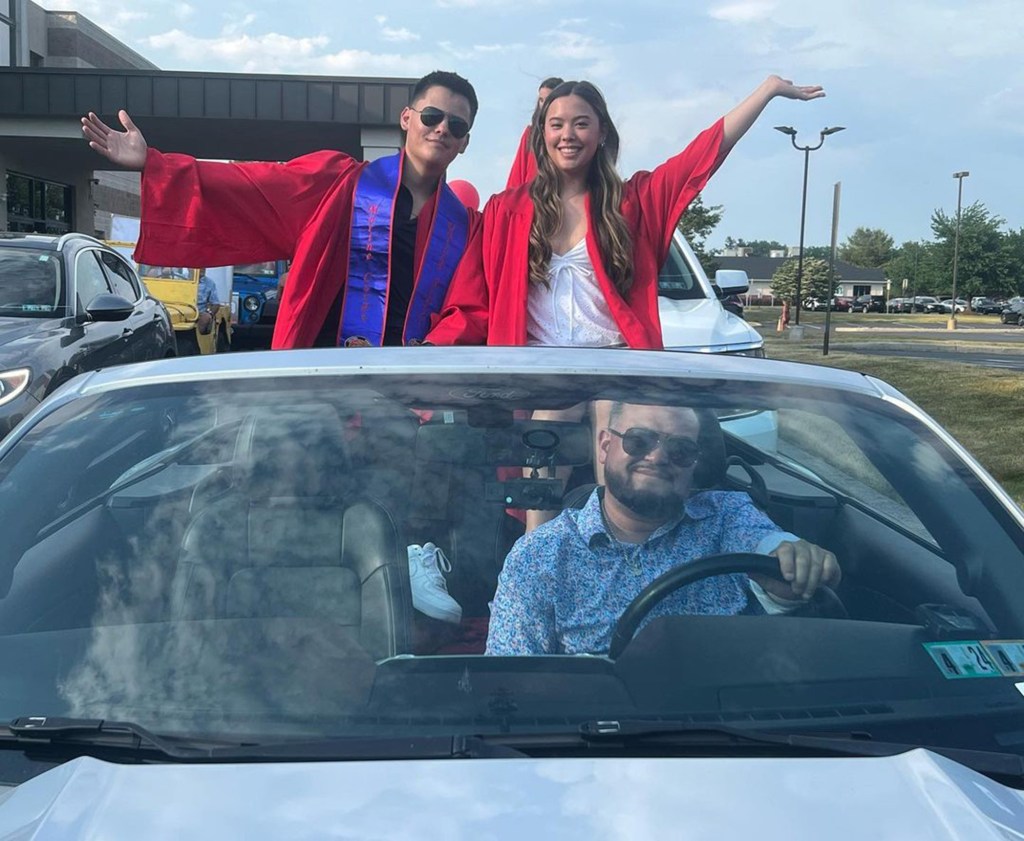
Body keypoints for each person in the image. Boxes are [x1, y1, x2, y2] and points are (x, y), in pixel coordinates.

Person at [81, 71, 480, 349]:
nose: (442, 128)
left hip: (411, 388)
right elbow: (250, 184)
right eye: (432, 116)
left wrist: (431, 352)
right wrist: (155, 163)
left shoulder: (464, 226)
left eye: (457, 125)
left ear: (465, 142)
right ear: (407, 118)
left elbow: (469, 309)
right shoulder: (337, 182)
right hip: (323, 374)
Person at [426, 75, 823, 349]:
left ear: (601, 134)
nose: (567, 135)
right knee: (542, 459)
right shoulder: (506, 212)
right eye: (556, 124)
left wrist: (767, 91)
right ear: (540, 135)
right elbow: (473, 303)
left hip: (614, 370)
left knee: (630, 455)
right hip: (536, 372)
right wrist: (428, 350)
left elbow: (701, 155)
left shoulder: (634, 203)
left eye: (581, 124)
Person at [486, 401, 842, 656]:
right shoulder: (541, 557)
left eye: (681, 449)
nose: (657, 457)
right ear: (606, 447)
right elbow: (511, 691)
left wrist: (794, 560)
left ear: (695, 464)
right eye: (639, 441)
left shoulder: (727, 515)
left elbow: (768, 543)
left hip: (739, 741)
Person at [505, 76, 564, 190]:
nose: (544, 104)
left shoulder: (567, 136)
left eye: (549, 99)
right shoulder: (530, 134)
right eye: (541, 100)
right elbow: (517, 175)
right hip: (531, 199)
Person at [196, 271, 218, 335]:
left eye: (203, 266)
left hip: (200, 312)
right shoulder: (180, 279)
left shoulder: (210, 283)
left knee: (205, 318)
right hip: (180, 310)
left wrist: (210, 314)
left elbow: (216, 303)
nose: (202, 269)